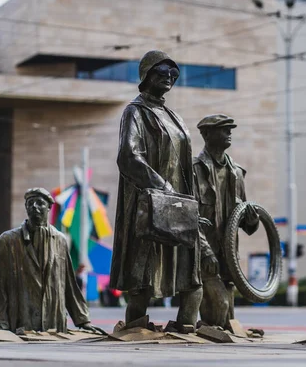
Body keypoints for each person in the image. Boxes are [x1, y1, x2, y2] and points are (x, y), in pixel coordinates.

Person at [110, 50, 213, 328]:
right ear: (146, 75)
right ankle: (135, 327)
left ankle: (185, 326)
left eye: (173, 73)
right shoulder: (135, 111)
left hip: (178, 204)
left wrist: (189, 202)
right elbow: (128, 157)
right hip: (151, 202)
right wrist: (162, 187)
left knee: (190, 273)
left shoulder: (174, 116)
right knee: (144, 273)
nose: (169, 77)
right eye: (162, 72)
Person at [0, 188, 105, 334]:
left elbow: (69, 283)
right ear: (25, 207)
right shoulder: (8, 240)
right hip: (21, 322)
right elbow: (0, 286)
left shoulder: (60, 240)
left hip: (53, 323)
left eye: (40, 203)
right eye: (30, 203)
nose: (34, 207)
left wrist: (83, 320)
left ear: (49, 207)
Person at [193, 114, 259, 328]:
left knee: (228, 312)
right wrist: (205, 252)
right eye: (223, 129)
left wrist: (252, 219)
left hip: (229, 256)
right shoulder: (193, 170)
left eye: (230, 129)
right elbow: (189, 216)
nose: (229, 133)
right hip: (205, 254)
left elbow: (247, 225)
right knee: (219, 305)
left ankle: (219, 340)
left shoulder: (237, 173)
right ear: (206, 134)